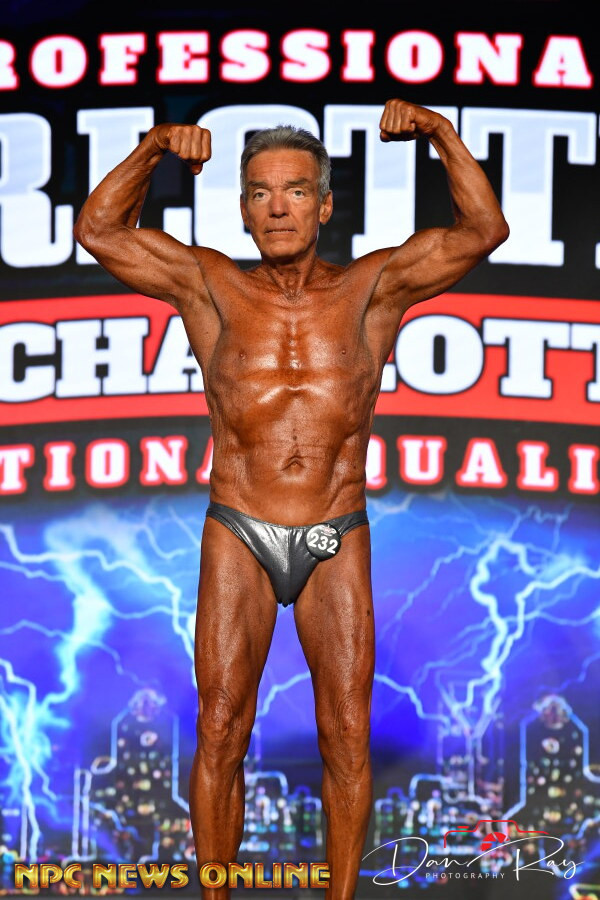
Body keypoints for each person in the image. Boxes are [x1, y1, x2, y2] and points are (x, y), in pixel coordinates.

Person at [73, 98, 509, 898]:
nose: (278, 208)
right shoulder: (208, 284)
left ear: (325, 206)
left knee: (345, 733)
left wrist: (442, 134)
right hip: (239, 525)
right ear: (243, 210)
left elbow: (483, 230)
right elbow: (99, 230)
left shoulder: (373, 288)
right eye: (261, 193)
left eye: (296, 191)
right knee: (218, 727)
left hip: (334, 528)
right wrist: (156, 145)